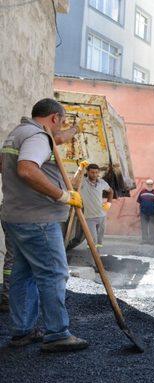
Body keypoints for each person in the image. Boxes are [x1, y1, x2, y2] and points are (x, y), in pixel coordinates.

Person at [0, 98, 88, 351]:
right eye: (60, 123)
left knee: (22, 275)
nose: (60, 128)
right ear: (53, 118)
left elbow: (7, 165)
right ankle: (57, 333)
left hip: (15, 216)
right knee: (53, 274)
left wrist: (73, 131)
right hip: (38, 220)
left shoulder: (19, 133)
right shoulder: (38, 138)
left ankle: (23, 331)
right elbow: (27, 169)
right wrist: (61, 195)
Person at [79, 163, 113, 248]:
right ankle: (92, 259)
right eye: (92, 172)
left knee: (99, 242)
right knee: (92, 242)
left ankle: (97, 257)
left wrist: (109, 203)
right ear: (87, 172)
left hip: (102, 216)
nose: (94, 175)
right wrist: (80, 169)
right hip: (89, 218)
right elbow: (73, 182)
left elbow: (111, 191)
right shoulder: (82, 182)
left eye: (96, 172)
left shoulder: (102, 182)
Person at [137, 178, 154, 244]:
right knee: (144, 227)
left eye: (151, 184)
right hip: (143, 213)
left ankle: (152, 241)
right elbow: (138, 202)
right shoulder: (142, 192)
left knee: (152, 227)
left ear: (152, 184)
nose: (149, 185)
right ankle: (144, 240)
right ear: (146, 184)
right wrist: (138, 211)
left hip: (152, 213)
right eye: (148, 184)